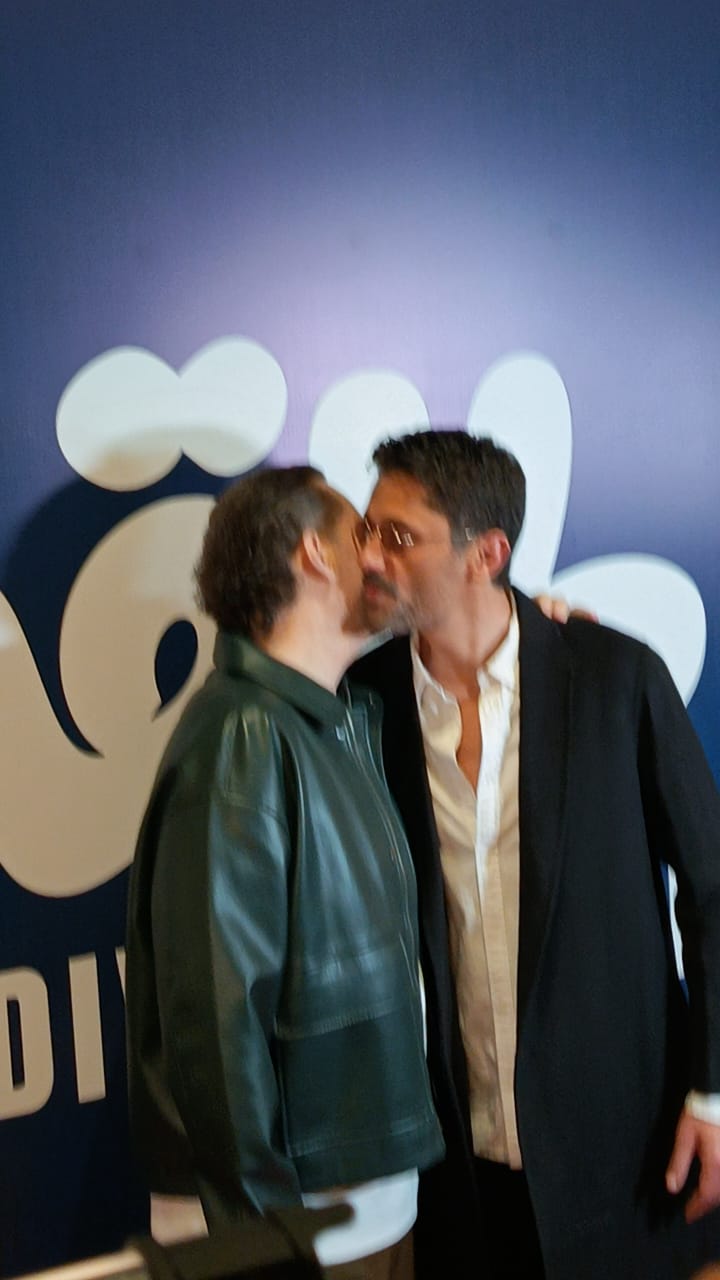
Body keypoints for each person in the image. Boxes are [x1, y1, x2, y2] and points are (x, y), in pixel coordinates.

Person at [349, 429, 720, 1280]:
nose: (370, 555)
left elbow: (712, 889)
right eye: (367, 530)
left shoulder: (614, 678)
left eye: (398, 536)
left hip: (626, 1155)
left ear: (486, 554)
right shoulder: (363, 705)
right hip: (456, 1176)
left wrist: (713, 1092)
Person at [125, 465, 445, 1279]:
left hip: (359, 1209)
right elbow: (213, 1022)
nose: (382, 559)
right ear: (314, 555)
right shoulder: (244, 737)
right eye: (364, 535)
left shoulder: (331, 721)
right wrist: (262, 1241)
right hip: (296, 1230)